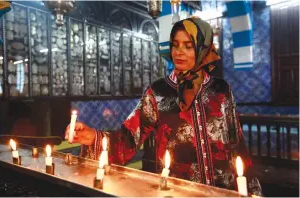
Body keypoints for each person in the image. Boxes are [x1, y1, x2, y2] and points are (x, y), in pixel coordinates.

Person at [65, 17, 263, 196]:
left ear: (203, 49)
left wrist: (252, 189)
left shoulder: (221, 89)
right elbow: (128, 138)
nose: (179, 52)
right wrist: (93, 137)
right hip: (179, 191)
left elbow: (237, 142)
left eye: (188, 46)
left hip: (223, 190)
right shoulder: (159, 92)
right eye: (175, 45)